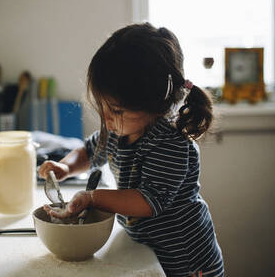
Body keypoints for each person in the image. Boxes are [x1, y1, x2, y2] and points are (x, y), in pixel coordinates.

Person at [38, 23, 224, 277]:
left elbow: (149, 201)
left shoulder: (170, 143)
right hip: (147, 248)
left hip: (186, 259)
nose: (105, 117)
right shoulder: (118, 131)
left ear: (154, 104)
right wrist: (65, 167)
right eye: (103, 105)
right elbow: (89, 152)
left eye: (116, 110)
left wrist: (93, 197)